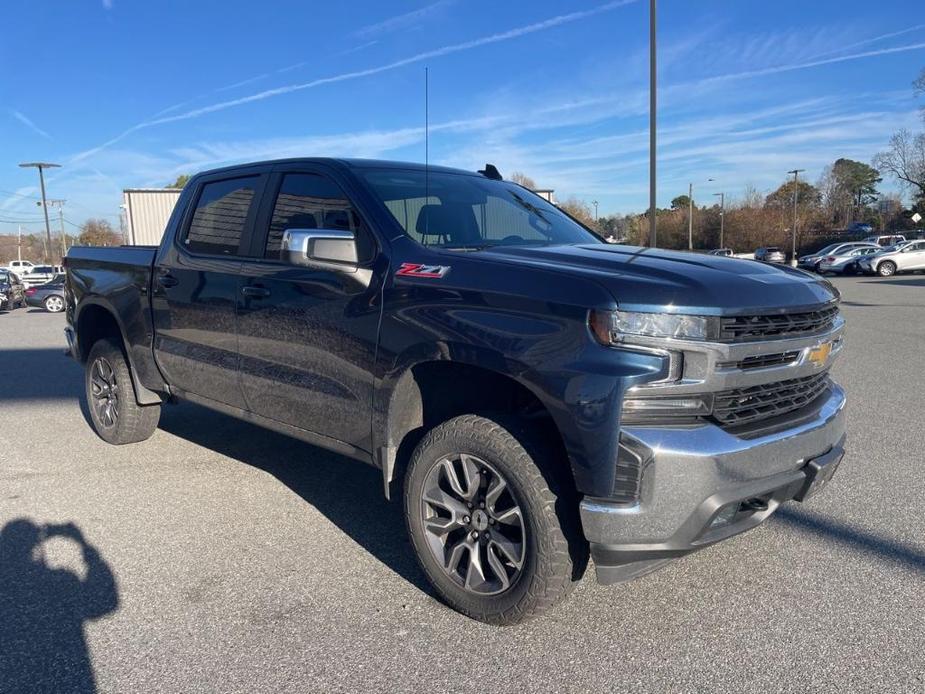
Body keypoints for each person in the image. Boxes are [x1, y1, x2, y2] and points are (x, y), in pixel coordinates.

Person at [0, 519, 119, 694]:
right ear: (36, 548)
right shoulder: (60, 584)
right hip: (68, 684)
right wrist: (85, 547)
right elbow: (103, 602)